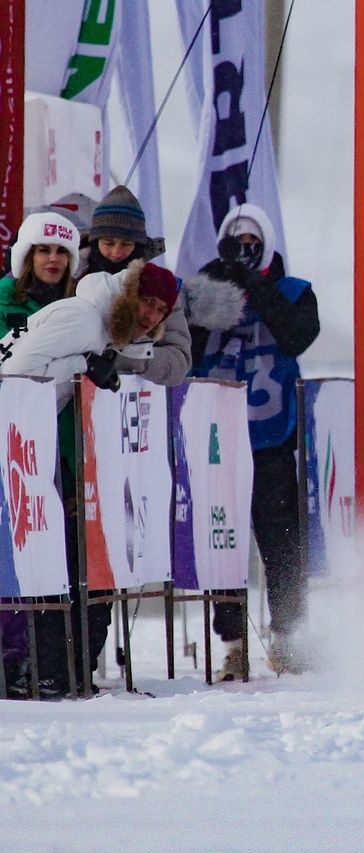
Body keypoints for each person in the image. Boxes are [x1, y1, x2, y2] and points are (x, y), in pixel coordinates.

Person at [0, 260, 179, 695]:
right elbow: (15, 373)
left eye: (160, 310)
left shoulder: (102, 329)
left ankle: (49, 671)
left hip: (24, 443)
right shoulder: (82, 318)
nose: (150, 314)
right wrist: (83, 362)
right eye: (146, 301)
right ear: (127, 294)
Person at [180, 203, 319, 679]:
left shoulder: (295, 292)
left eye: (252, 245)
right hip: (217, 442)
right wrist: (216, 283)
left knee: (282, 546)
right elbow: (185, 349)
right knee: (224, 547)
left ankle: (287, 638)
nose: (243, 252)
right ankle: (233, 644)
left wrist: (254, 282)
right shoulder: (202, 293)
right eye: (234, 245)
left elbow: (297, 337)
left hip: (271, 438)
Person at [0, 210, 79, 694]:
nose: (52, 260)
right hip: (10, 446)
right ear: (26, 255)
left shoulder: (81, 309)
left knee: (56, 560)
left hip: (61, 450)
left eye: (61, 252)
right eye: (43, 250)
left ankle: (49, 664)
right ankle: (12, 661)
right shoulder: (3, 301)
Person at [80, 185, 192, 385]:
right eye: (108, 243)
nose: (116, 253)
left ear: (138, 246)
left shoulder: (161, 289)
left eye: (126, 244)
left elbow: (179, 362)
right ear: (95, 241)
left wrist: (125, 359)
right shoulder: (70, 274)